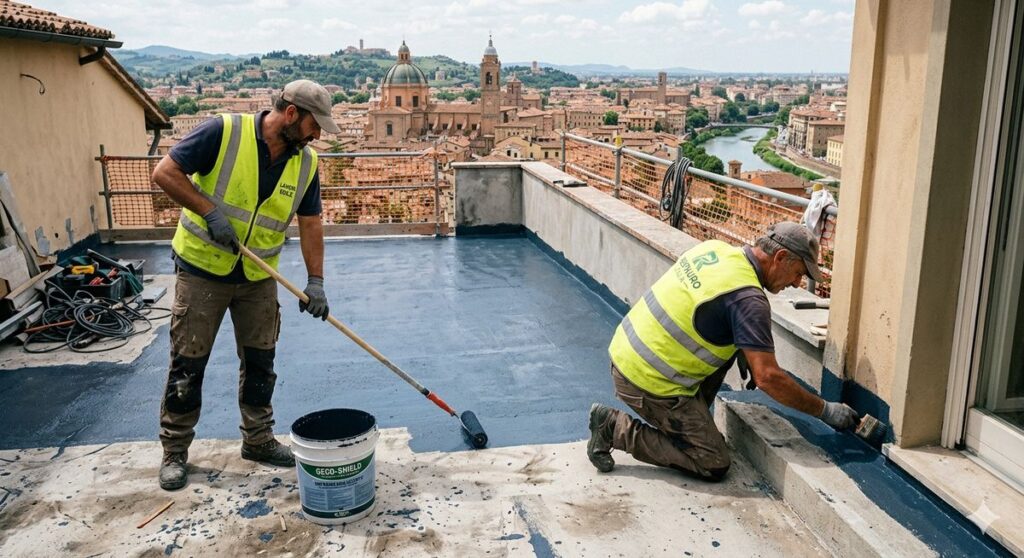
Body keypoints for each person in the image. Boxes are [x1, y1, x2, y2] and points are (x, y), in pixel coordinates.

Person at [151, 79, 341, 491]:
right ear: (291, 114)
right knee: (189, 362)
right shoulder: (224, 131)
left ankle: (257, 441)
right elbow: (165, 171)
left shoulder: (305, 163)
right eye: (315, 125)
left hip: (257, 277)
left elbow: (311, 224)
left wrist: (316, 281)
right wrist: (207, 210)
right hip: (202, 269)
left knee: (260, 362)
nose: (318, 136)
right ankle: (174, 451)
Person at [587, 222, 857, 481]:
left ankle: (688, 423)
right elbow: (768, 378)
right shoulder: (749, 301)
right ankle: (613, 428)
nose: (797, 283)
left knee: (733, 344)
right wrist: (824, 410)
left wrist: (741, 348)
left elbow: (707, 306)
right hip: (646, 380)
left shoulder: (715, 249)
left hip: (626, 351)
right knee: (713, 461)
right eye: (798, 273)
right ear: (781, 257)